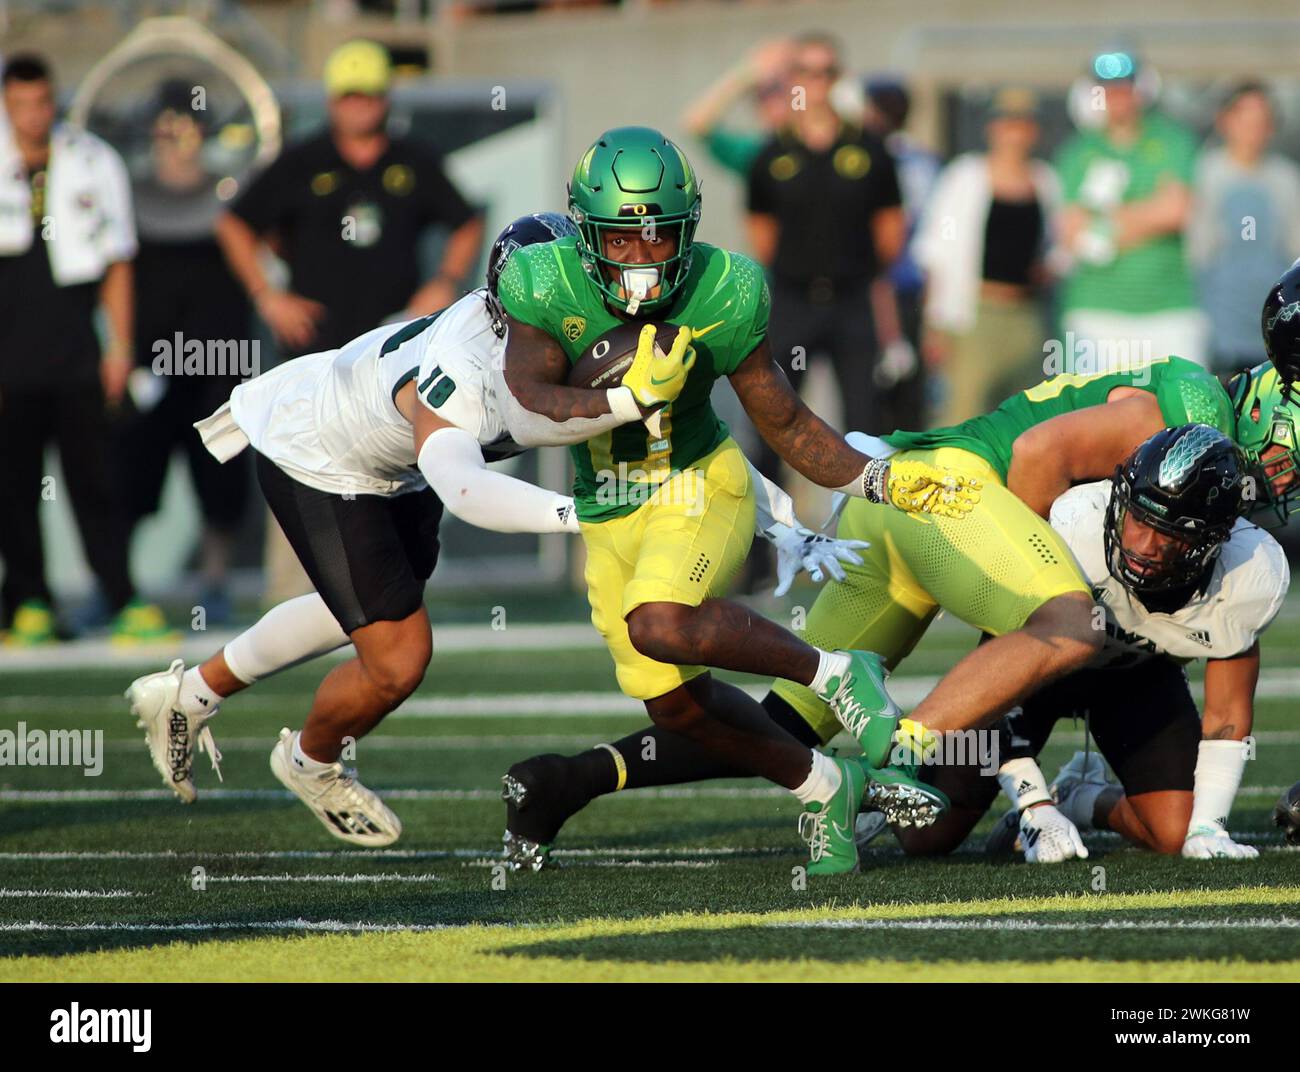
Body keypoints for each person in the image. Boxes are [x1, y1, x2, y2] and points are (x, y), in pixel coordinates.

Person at [124, 213, 870, 846]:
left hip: (392, 459)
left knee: (368, 602)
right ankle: (310, 760)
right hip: (322, 453)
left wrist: (781, 517)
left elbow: (688, 435)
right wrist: (579, 517)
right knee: (397, 653)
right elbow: (464, 484)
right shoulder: (471, 369)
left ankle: (191, 694)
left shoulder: (577, 308)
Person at [501, 355, 1300, 863]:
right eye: (1284, 457)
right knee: (1066, 623)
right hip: (947, 490)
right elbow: (1034, 458)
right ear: (1262, 410)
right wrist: (1022, 588)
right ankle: (890, 767)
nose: (1286, 479)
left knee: (789, 725)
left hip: (901, 510)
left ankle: (574, 778)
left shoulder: (1208, 491)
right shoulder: (1179, 424)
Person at [497, 125, 985, 876]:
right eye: (619, 241)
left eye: (658, 236)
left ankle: (833, 673)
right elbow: (527, 400)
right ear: (583, 231)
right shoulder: (542, 280)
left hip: (699, 484)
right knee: (678, 710)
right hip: (608, 509)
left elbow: (786, 422)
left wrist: (877, 480)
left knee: (659, 622)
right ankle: (830, 787)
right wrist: (627, 401)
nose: (640, 257)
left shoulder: (725, 288)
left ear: (687, 227)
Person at [860, 425, 1285, 863]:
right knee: (925, 836)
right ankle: (865, 777)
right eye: (1138, 518)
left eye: (1169, 532)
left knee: (1174, 832)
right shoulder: (1072, 528)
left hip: (1135, 678)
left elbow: (1227, 717)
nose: (1143, 544)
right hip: (1036, 673)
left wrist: (1208, 827)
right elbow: (999, 670)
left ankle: (1081, 797)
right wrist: (1033, 804)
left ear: (1211, 540)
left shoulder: (1246, 577)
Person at [216, 38, 484, 605]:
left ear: (385, 99)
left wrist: (443, 281)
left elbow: (466, 220)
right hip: (318, 355)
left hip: (392, 361)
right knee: (302, 466)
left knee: (400, 477)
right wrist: (269, 294)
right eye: (350, 97)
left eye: (370, 96)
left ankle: (391, 597)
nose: (360, 107)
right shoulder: (302, 162)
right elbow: (235, 224)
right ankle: (294, 601)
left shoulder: (413, 161)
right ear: (334, 101)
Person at [0, 53, 170, 646]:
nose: (32, 116)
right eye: (20, 104)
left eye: (41, 102)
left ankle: (120, 595)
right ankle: (28, 601)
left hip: (75, 344)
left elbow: (117, 262)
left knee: (95, 479)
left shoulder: (93, 160)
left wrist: (118, 347)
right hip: (10, 347)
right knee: (15, 483)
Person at [117, 81, 253, 623]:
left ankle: (214, 583)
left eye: (189, 127)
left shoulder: (233, 195)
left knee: (220, 479)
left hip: (218, 358)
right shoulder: (129, 196)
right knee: (132, 476)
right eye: (167, 127)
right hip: (150, 361)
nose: (178, 139)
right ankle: (119, 587)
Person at [746, 33, 906, 446]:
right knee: (771, 413)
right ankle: (764, 507)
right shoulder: (772, 154)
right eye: (807, 72)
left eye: (826, 72)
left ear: (839, 78)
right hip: (793, 300)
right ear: (792, 79)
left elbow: (890, 232)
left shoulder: (870, 149)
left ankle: (862, 509)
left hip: (852, 300)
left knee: (864, 419)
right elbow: (763, 236)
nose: (817, 83)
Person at [915, 88, 1060, 425]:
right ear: (992, 128)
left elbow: (1053, 251)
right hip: (975, 317)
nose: (1015, 133)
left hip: (1025, 316)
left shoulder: (1045, 181)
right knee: (963, 417)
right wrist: (934, 326)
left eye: (1023, 124)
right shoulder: (965, 177)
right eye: (1007, 123)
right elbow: (936, 253)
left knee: (1026, 422)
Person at [1056, 50, 1206, 370]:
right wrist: (1150, 213)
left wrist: (1102, 225)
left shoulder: (1173, 141)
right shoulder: (1078, 151)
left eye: (1125, 87)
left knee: (1186, 413)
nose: (1118, 97)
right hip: (1096, 312)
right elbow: (1070, 235)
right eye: (1108, 89)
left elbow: (1176, 211)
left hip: (1169, 309)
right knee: (1096, 414)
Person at [1188, 81, 1300, 375]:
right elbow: (1197, 255)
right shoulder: (1205, 173)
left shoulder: (1286, 179)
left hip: (1274, 328)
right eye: (1245, 119)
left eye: (1261, 121)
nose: (1253, 130)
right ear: (1224, 121)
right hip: (1217, 330)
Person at [680, 38, 793, 179]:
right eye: (764, 94)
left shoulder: (822, 144)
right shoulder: (754, 154)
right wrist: (746, 74)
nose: (774, 104)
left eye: (780, 90)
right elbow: (696, 124)